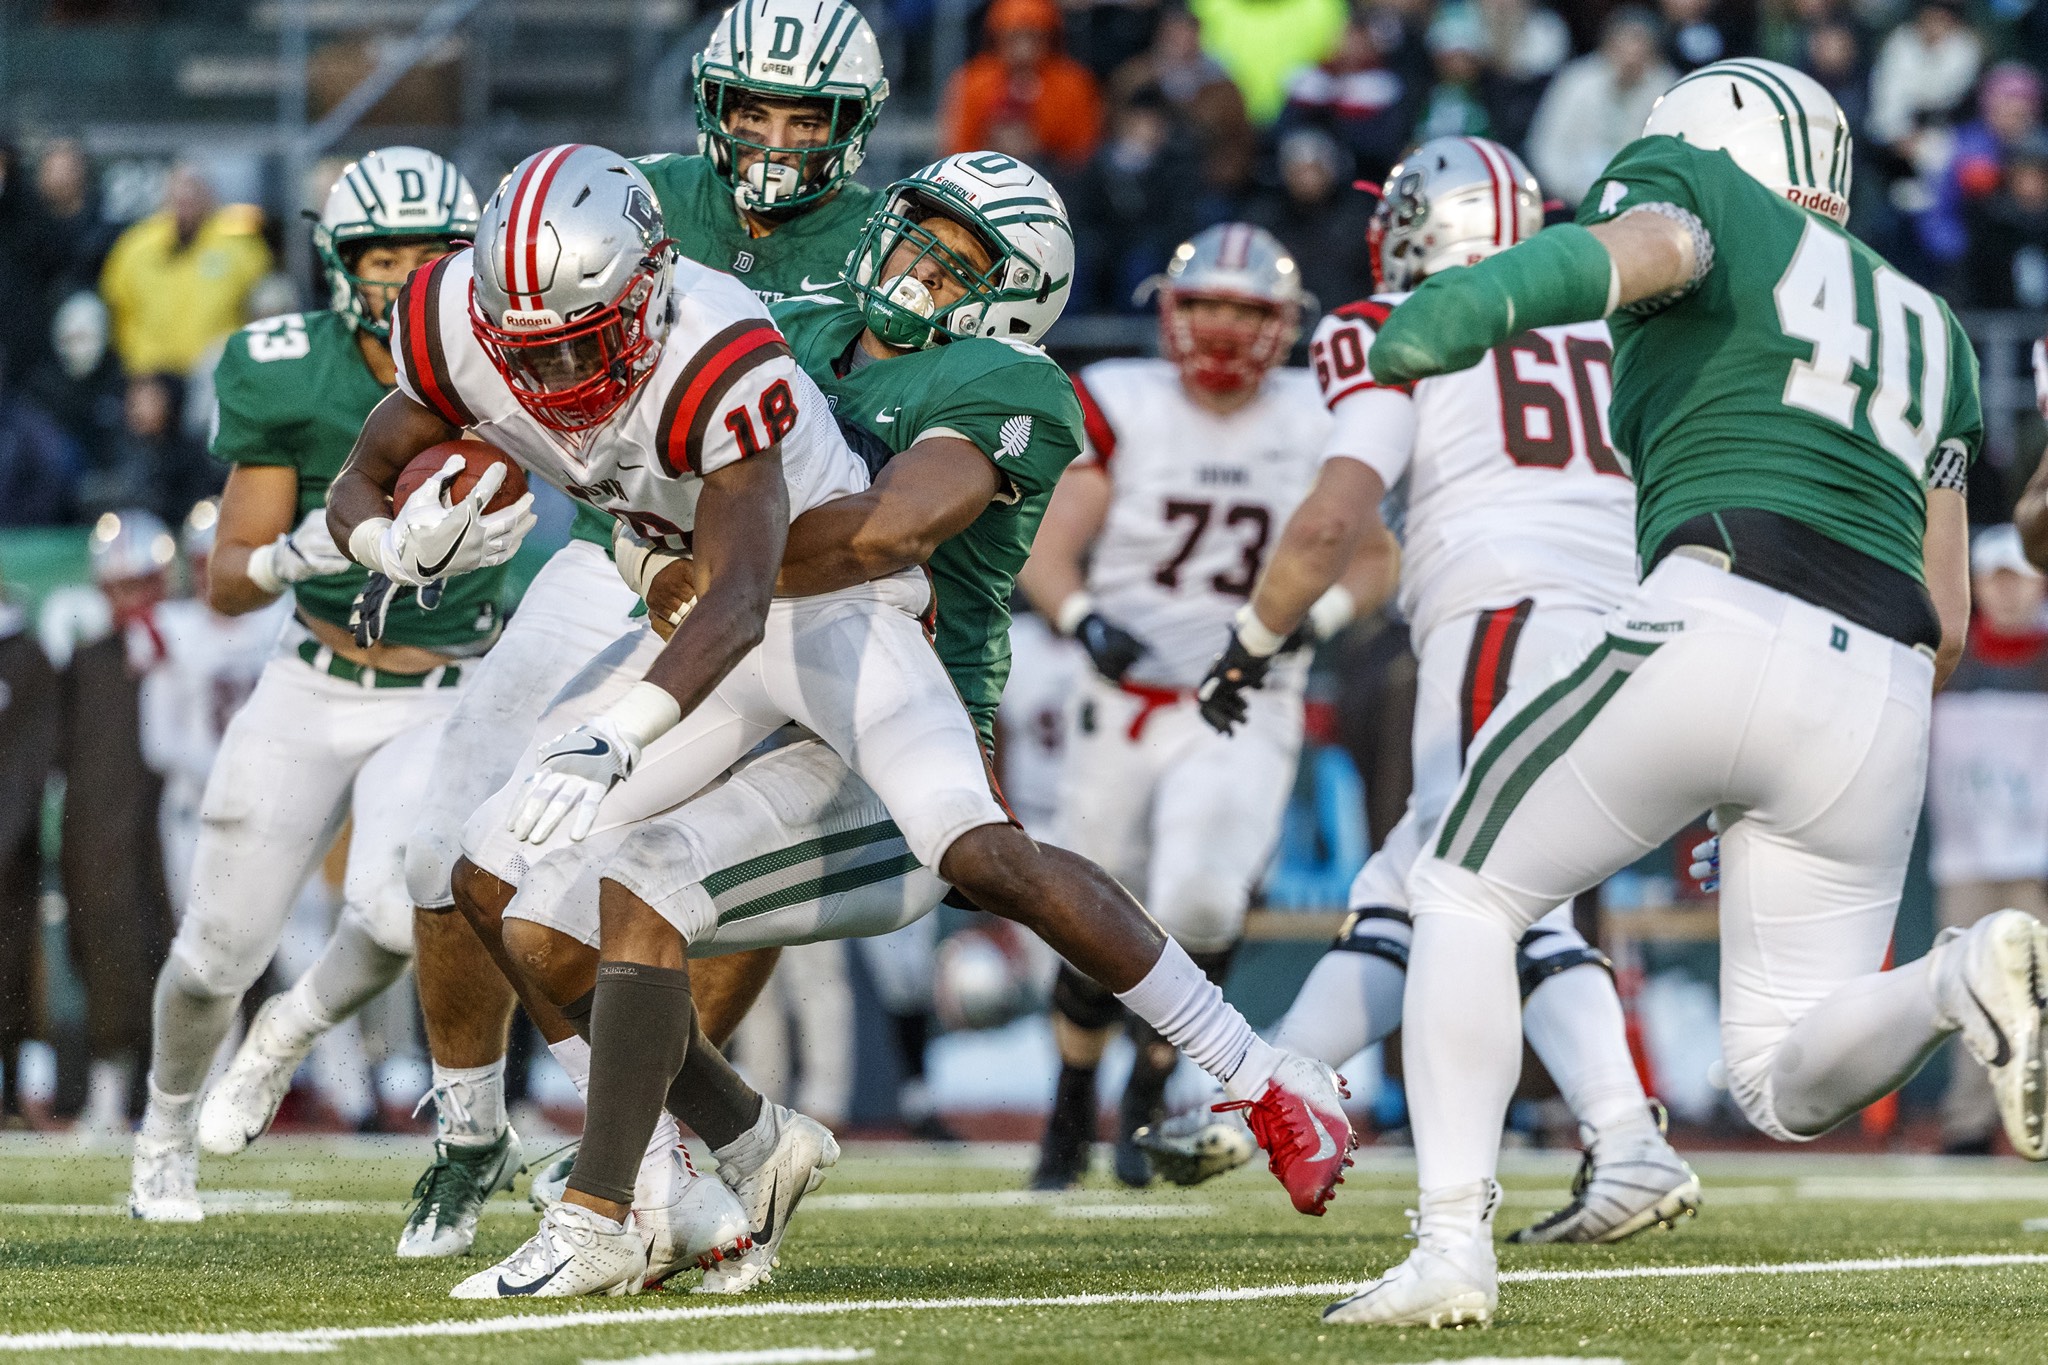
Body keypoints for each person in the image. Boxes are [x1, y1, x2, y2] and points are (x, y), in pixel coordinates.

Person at [324, 146, 1352, 1298]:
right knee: (501, 878)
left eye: (958, 260)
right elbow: (659, 503)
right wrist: (634, 549)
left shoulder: (1002, 384)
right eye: (916, 231)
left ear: (1015, 295)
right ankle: (731, 1155)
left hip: (878, 666)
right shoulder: (792, 337)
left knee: (961, 855)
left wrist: (691, 569)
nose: (914, 264)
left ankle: (1258, 1071)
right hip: (741, 651)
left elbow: (881, 533)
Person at [1296, 59, 2036, 1329]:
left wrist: (1475, 300)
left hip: (1723, 596)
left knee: (1460, 885)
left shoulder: (1701, 192)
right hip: (1883, 692)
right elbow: (1951, 612)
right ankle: (1952, 977)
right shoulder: (1933, 328)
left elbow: (1632, 246)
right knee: (1773, 1079)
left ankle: (1448, 1250)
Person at [389, 0, 892, 1263]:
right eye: (752, 110)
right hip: (617, 550)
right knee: (451, 844)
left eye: (804, 116)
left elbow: (897, 440)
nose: (774, 139)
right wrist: (419, 505)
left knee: (670, 871)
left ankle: (675, 1155)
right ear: (708, 112)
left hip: (770, 573)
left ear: (855, 127)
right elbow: (485, 355)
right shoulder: (626, 201)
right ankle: (475, 1132)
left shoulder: (898, 246)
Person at [1156, 138, 1697, 1245]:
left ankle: (1615, 1141)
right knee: (1420, 877)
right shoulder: (1609, 327)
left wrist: (1251, 643)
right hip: (1639, 628)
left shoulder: (1395, 325)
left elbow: (1326, 520)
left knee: (1475, 892)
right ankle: (1278, 1083)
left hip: (1506, 621)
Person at [126, 148, 506, 1224]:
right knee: (210, 958)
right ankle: (161, 1130)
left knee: (393, 916)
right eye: (380, 256)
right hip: (313, 677)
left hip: (442, 688)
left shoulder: (513, 369)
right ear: (340, 263)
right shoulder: (289, 367)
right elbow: (229, 584)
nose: (401, 279)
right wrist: (305, 554)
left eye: (428, 257)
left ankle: (283, 1037)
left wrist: (517, 547)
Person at [1019, 223, 1389, 1190]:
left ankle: (1148, 1079)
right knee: (1089, 911)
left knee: (1197, 899)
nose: (1224, 330)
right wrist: (1082, 616)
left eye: (1248, 311)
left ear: (1285, 326)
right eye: (1208, 306)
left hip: (1245, 700)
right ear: (1171, 313)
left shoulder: (1319, 412)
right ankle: (1070, 1096)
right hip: (1122, 697)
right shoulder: (1123, 399)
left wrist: (1324, 617)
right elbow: (1053, 545)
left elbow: (1376, 556)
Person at [43, 511, 180, 1138]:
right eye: (121, 586)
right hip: (104, 837)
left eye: (142, 584)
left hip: (178, 831)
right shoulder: (89, 664)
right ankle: (105, 1094)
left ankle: (196, 1095)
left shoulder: (188, 649)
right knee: (108, 958)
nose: (132, 599)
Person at [1924, 526, 2048, 1154]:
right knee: (1966, 991)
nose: (2005, 592)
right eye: (1994, 578)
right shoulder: (1947, 660)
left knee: (2040, 998)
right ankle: (1967, 1124)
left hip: (2037, 863)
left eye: (2017, 577)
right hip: (1965, 861)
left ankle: (2039, 1127)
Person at [140, 499, 290, 912]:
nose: (213, 578)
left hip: (275, 806)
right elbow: (158, 743)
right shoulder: (172, 629)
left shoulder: (284, 621)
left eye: (221, 564)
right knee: (202, 945)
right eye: (202, 565)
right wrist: (226, 775)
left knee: (299, 943)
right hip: (199, 809)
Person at [0, 570, 60, 1125]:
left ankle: (13, 1091)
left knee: (13, 967)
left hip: (9, 852)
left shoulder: (26, 657)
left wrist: (8, 834)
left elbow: (29, 762)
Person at [1524, 8, 1676, 207]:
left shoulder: (1667, 88)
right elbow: (1546, 148)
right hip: (1570, 199)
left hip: (1637, 204)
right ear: (1608, 46)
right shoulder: (1577, 80)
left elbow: (1666, 158)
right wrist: (1579, 193)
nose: (1630, 60)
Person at [940, 0, 1105, 169]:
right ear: (998, 36)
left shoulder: (1072, 82)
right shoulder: (973, 80)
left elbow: (1083, 148)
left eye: (1033, 36)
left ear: (1049, 36)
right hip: (980, 171)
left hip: (1055, 176)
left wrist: (1039, 138)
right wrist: (992, 142)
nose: (1024, 47)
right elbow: (956, 147)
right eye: (1014, 36)